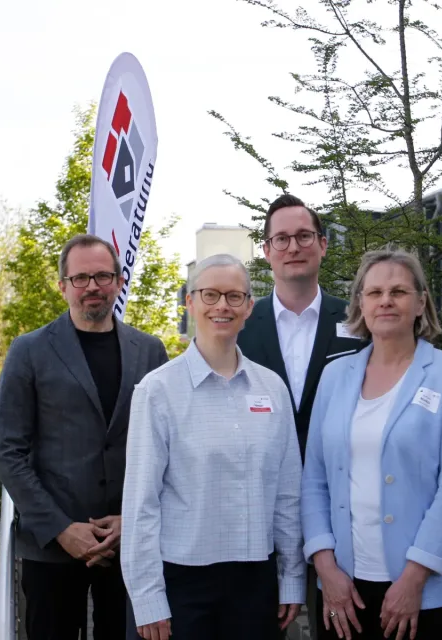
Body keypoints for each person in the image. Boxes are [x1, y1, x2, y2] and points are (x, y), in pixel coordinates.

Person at [0, 234, 169, 640]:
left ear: (119, 281)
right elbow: (7, 451)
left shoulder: (150, 351)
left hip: (129, 546)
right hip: (53, 548)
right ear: (63, 286)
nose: (93, 286)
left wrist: (133, 520)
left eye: (103, 276)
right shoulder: (28, 350)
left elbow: (167, 449)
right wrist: (60, 528)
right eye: (81, 278)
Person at [121, 254, 306, 640]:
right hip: (182, 585)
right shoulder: (157, 391)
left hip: (256, 582)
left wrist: (291, 578)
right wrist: (147, 597)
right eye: (210, 295)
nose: (222, 305)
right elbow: (141, 505)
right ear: (189, 302)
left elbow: (287, 494)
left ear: (249, 307)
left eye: (234, 296)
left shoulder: (272, 389)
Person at [301, 248, 442, 640]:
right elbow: (314, 478)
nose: (386, 300)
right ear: (360, 305)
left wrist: (414, 577)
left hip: (426, 590)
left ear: (420, 303)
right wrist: (325, 566)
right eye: (375, 292)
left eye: (398, 291)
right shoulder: (334, 377)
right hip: (344, 588)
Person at [237, 193, 366, 638]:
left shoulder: (358, 321)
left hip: (340, 501)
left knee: (342, 622)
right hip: (258, 502)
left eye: (304, 236)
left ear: (323, 244)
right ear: (267, 249)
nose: (294, 246)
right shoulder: (239, 324)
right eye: (282, 238)